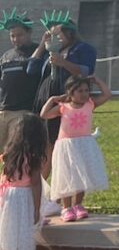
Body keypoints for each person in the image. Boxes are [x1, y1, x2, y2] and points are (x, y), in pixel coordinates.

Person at [40, 74, 110, 221]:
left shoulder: (90, 104)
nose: (84, 94)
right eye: (80, 91)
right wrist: (52, 100)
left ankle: (78, 204)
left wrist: (97, 80)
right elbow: (44, 114)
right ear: (70, 93)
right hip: (66, 146)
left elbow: (106, 94)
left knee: (81, 175)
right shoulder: (63, 108)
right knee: (67, 176)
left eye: (86, 90)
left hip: (84, 144)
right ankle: (66, 207)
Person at [27, 13, 98, 156]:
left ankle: (47, 176)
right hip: (46, 100)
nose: (55, 38)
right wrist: (42, 45)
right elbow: (31, 69)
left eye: (58, 34)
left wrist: (63, 63)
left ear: (69, 33)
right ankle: (43, 177)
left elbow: (85, 71)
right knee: (44, 143)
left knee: (55, 144)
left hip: (65, 101)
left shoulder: (82, 48)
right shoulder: (52, 52)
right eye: (51, 34)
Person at [0, 112, 47, 250]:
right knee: (8, 249)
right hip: (20, 200)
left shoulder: (9, 154)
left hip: (6, 197)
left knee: (3, 244)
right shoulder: (33, 157)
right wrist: (36, 209)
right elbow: (35, 183)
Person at [0, 12, 41, 148]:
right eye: (12, 36)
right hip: (4, 110)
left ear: (29, 33)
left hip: (23, 111)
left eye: (19, 35)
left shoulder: (40, 52)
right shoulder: (7, 55)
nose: (15, 39)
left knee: (15, 152)